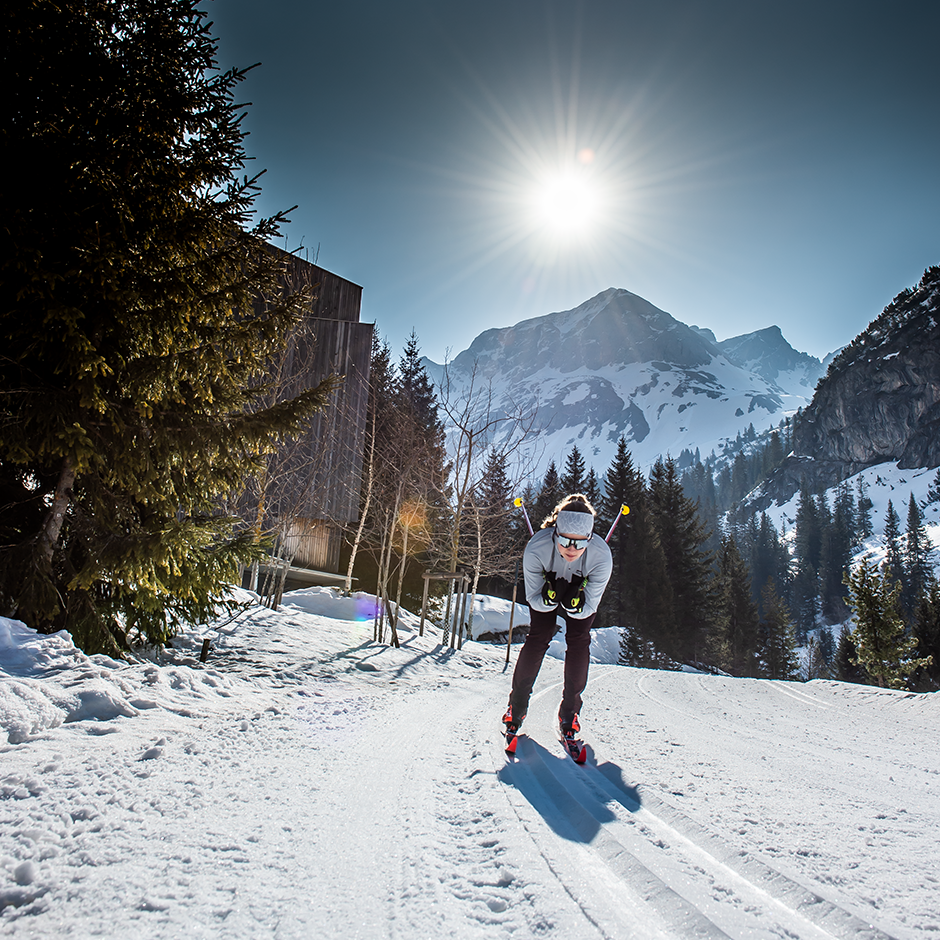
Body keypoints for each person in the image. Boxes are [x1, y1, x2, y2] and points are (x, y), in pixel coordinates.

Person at [502, 493, 613, 742]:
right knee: (539, 636)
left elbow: (590, 606)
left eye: (579, 543)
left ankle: (570, 715)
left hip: (580, 588)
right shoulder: (537, 548)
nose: (572, 549)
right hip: (547, 581)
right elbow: (533, 598)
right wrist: (548, 600)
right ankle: (516, 709)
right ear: (555, 533)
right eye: (564, 541)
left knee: (579, 639)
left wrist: (575, 606)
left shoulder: (601, 556)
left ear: (590, 538)